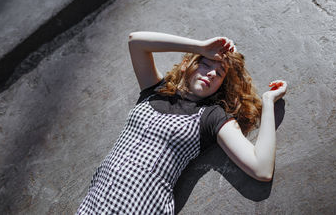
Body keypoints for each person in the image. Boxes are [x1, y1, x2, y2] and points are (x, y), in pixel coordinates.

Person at [76, 31, 287, 214]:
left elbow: (262, 169)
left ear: (221, 84)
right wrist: (200, 46)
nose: (211, 73)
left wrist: (268, 102)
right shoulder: (155, 90)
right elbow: (136, 41)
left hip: (143, 206)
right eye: (205, 63)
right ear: (186, 64)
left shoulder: (211, 116)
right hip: (94, 204)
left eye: (220, 72)